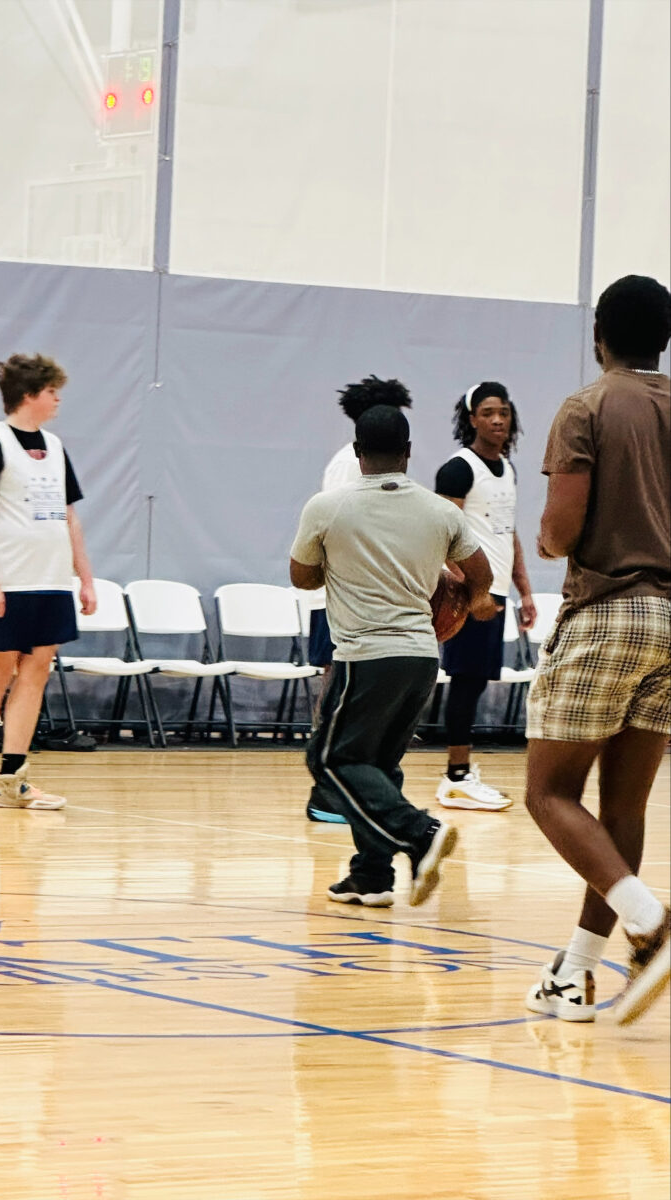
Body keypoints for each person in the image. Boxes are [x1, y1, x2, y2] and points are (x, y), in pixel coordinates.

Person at [524, 274, 670, 1026]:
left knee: (548, 793)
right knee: (625, 809)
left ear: (598, 334)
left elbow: (561, 529)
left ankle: (651, 925)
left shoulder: (588, 406)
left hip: (612, 609)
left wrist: (548, 542)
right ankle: (573, 977)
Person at [291, 404, 496, 907]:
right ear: (408, 452)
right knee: (378, 763)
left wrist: (340, 568)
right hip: (423, 657)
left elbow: (302, 576)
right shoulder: (440, 511)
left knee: (330, 757)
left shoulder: (327, 507)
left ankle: (421, 835)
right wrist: (459, 606)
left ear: (357, 452)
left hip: (365, 656)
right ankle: (372, 874)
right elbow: (482, 575)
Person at [0, 353, 96, 810]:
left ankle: (12, 778)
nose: (58, 399)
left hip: (51, 583)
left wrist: (84, 577)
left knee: (35, 675)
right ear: (29, 395)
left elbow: (69, 517)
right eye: (52, 392)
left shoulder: (55, 445)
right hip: (8, 582)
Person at [306, 375, 413, 824]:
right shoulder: (355, 470)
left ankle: (344, 790)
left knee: (346, 696)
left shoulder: (371, 467)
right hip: (344, 599)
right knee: (339, 696)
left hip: (352, 598)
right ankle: (329, 793)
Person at [434, 382, 536, 811]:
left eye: (505, 412)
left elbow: (507, 534)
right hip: (467, 593)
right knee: (465, 681)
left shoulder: (508, 469)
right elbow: (443, 536)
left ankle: (461, 774)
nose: (498, 420)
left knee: (474, 682)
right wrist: (469, 592)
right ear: (472, 418)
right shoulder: (458, 469)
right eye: (488, 412)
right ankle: (456, 777)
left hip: (494, 592)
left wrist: (525, 591)